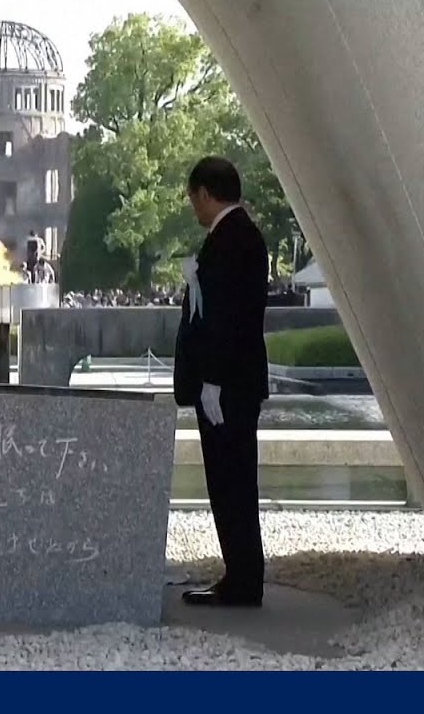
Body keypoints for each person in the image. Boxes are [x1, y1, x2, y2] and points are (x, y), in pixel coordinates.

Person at [173, 156, 270, 608]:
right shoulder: (235, 236)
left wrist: (212, 379)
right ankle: (240, 573)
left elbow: (229, 318)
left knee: (231, 481)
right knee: (229, 480)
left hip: (227, 385)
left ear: (206, 193)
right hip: (230, 382)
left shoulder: (235, 239)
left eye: (194, 197)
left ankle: (243, 579)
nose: (193, 206)